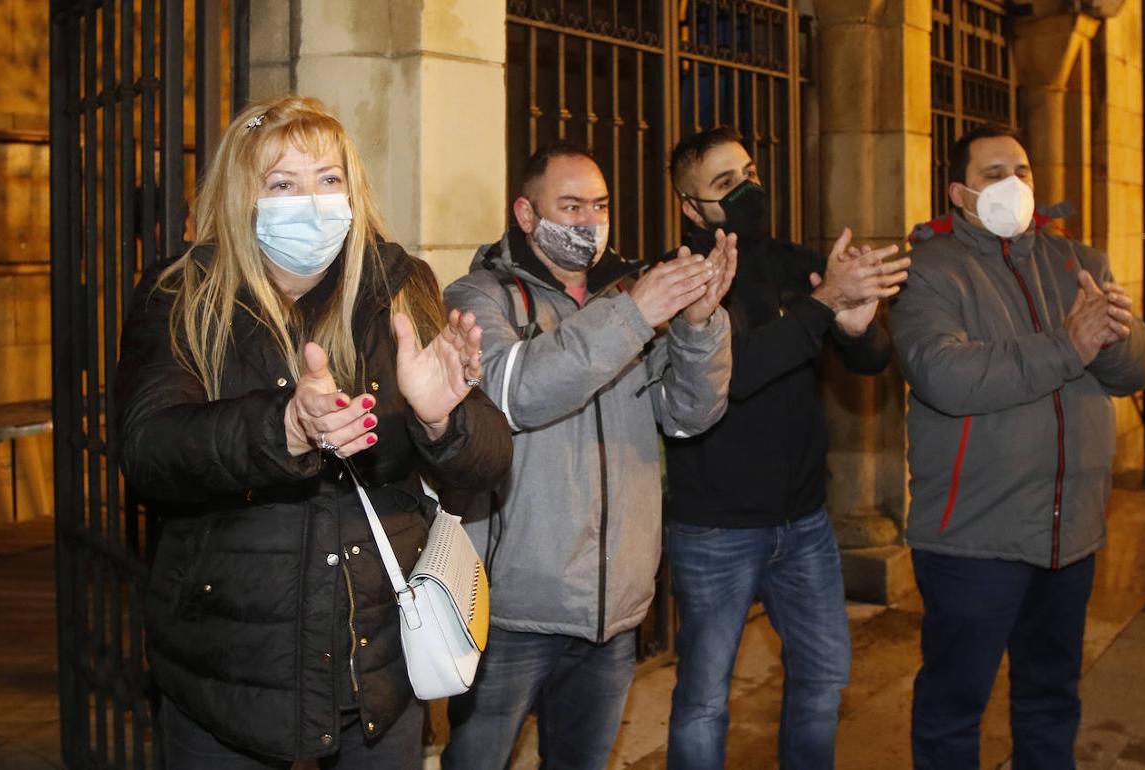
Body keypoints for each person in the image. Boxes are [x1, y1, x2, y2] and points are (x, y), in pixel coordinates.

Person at [115, 96, 513, 768]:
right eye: (283, 184)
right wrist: (286, 428)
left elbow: (490, 461)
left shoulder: (399, 286)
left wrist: (442, 417)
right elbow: (150, 448)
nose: (313, 201)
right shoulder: (181, 295)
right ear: (242, 196)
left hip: (378, 669)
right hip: (229, 674)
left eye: (329, 180)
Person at [439, 143, 735, 770]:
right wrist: (635, 314)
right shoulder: (481, 295)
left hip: (613, 611)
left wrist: (698, 327)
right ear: (525, 213)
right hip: (512, 611)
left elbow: (688, 416)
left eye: (598, 206)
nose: (587, 222)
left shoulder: (622, 298)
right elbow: (515, 393)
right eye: (569, 205)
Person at [891, 124, 1145, 770]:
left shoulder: (1078, 262)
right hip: (973, 540)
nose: (1013, 183)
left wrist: (1112, 336)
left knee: (1050, 701)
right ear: (958, 193)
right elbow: (946, 375)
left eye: (1022, 169)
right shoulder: (928, 271)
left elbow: (1142, 364)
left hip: (1070, 538)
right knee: (954, 711)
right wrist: (1069, 346)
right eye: (993, 173)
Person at [660, 125, 911, 770]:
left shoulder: (797, 263)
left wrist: (858, 324)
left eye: (748, 172)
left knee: (824, 680)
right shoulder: (681, 281)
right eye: (724, 184)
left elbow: (872, 360)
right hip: (715, 528)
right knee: (704, 700)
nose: (747, 188)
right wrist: (825, 303)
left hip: (804, 522)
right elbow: (734, 375)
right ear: (691, 208)